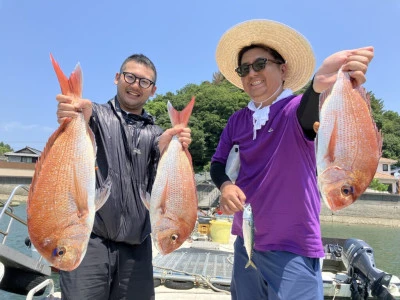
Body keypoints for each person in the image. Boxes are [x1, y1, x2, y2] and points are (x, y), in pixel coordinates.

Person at [210, 19, 374, 300]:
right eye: (244, 68)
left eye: (260, 64)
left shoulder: (295, 108)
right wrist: (225, 186)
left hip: (294, 248)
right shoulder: (237, 120)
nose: (252, 73)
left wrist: (319, 84)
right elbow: (217, 164)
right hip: (245, 243)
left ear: (283, 68)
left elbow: (309, 114)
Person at [55, 54, 192, 300]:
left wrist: (173, 147)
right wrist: (73, 115)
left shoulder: (156, 133)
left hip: (137, 247)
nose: (136, 85)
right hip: (90, 242)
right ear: (117, 78)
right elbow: (77, 128)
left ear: (153, 90)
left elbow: (163, 181)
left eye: (144, 82)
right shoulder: (94, 114)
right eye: (130, 77)